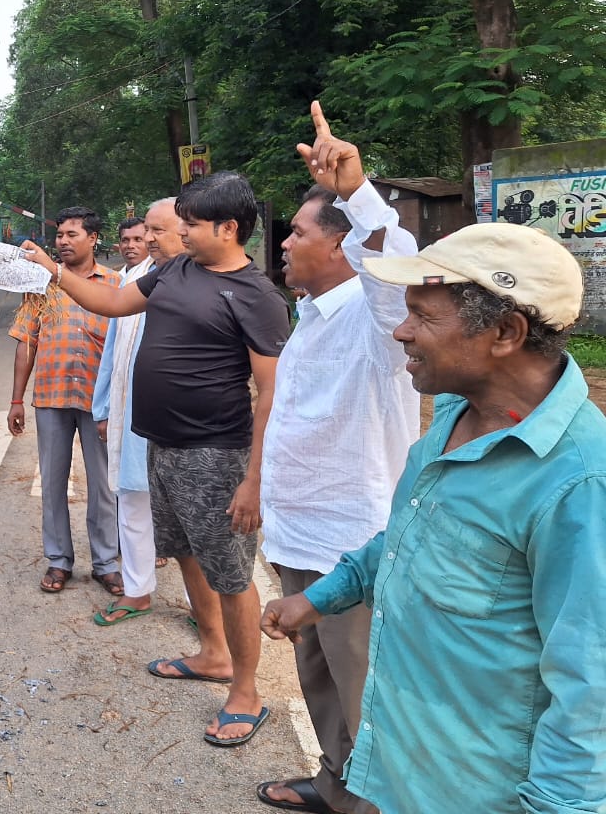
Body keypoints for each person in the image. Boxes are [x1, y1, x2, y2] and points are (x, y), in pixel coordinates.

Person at [262, 115, 606, 814]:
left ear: (506, 333)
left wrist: (358, 196)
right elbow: (411, 536)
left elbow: (589, 689)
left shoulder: (578, 483)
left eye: (424, 316)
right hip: (406, 772)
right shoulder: (454, 415)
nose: (401, 329)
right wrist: (321, 595)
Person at [21, 175, 289, 747]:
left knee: (234, 575)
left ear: (229, 228)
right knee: (188, 553)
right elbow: (112, 302)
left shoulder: (256, 295)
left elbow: (271, 394)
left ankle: (246, 691)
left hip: (217, 455)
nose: (179, 232)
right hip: (161, 446)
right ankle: (214, 652)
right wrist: (53, 269)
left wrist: (254, 479)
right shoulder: (174, 270)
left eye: (191, 223)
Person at [255, 104, 419, 814]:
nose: (284, 244)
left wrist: (356, 193)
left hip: (352, 544)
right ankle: (335, 785)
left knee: (363, 692)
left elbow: (395, 271)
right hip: (299, 536)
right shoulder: (312, 314)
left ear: (342, 246)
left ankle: (375, 800)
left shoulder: (379, 317)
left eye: (296, 232)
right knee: (318, 680)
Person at [9, 206, 122, 596]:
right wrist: (16, 400)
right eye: (59, 235)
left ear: (93, 238)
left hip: (99, 401)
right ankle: (59, 561)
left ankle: (106, 563)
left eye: (72, 234)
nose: (63, 241)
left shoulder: (115, 283)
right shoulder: (40, 283)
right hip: (53, 397)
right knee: (52, 483)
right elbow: (27, 341)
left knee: (104, 485)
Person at [90, 198, 183, 625]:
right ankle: (138, 589)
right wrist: (104, 406)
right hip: (129, 412)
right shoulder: (130, 281)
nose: (142, 240)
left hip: (170, 413)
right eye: (135, 234)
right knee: (131, 500)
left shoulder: (176, 279)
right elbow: (112, 352)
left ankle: (208, 606)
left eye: (151, 231)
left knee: (184, 512)